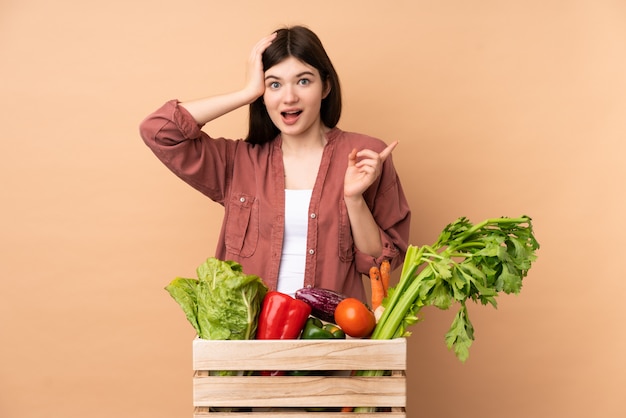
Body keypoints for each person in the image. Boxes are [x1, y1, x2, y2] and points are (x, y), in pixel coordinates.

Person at [139, 25, 411, 302]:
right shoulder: (238, 162)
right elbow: (159, 130)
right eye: (274, 84)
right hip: (249, 338)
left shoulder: (365, 155)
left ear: (325, 86)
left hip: (330, 335)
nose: (289, 97)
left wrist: (354, 200)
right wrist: (246, 93)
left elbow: (382, 265)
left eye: (303, 81)